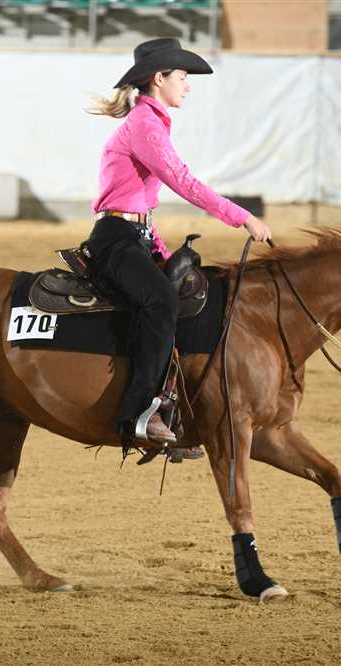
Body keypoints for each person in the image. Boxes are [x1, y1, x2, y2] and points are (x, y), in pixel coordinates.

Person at [86, 38, 272, 446]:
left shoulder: (148, 124)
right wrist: (242, 217)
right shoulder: (145, 126)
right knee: (162, 302)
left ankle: (175, 406)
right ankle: (138, 412)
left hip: (133, 236)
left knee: (184, 292)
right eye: (184, 77)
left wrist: (162, 252)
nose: (188, 85)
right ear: (160, 78)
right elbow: (184, 182)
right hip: (116, 239)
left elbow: (142, 205)